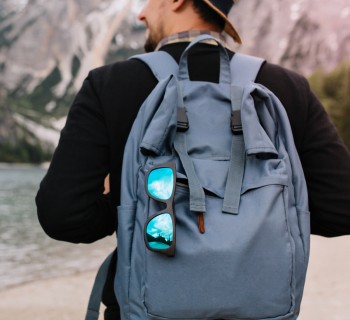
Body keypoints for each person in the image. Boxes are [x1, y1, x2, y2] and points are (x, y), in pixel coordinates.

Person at [36, 0, 350, 319]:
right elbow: (342, 210)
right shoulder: (287, 87)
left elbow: (63, 215)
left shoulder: (110, 83)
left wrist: (130, 205)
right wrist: (262, 214)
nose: (141, 14)